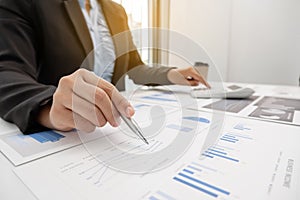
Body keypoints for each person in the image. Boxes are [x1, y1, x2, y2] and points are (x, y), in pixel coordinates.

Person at [0, 0, 209, 134]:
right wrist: (48, 105)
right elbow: (7, 73)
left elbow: (133, 67)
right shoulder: (28, 4)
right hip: (64, 133)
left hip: (112, 126)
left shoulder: (116, 11)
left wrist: (172, 74)